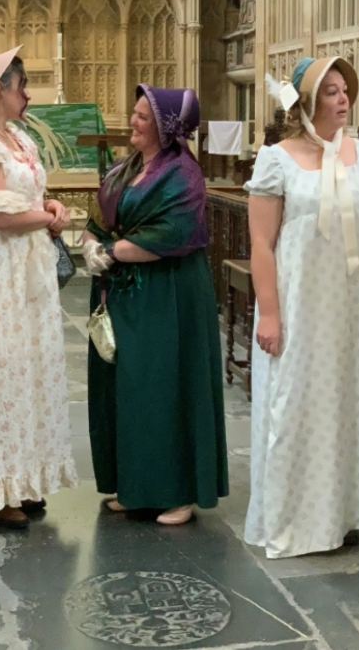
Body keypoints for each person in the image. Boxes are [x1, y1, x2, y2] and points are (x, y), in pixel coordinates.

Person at [244, 56, 359, 558]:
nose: (343, 98)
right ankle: (300, 519)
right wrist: (269, 312)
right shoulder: (278, 159)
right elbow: (261, 244)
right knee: (299, 400)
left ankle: (348, 512)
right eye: (330, 91)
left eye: (345, 88)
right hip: (302, 303)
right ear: (307, 102)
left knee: (349, 399)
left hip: (354, 305)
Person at [83, 85, 228, 527]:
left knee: (165, 389)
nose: (133, 121)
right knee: (127, 391)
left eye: (143, 116)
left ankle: (177, 492)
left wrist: (111, 253)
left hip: (167, 295)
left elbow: (173, 233)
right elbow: (97, 214)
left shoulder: (183, 174)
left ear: (167, 127)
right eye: (134, 113)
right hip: (124, 291)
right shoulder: (127, 167)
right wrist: (91, 243)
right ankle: (135, 487)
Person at [0, 46, 78, 530]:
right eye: (20, 84)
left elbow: (28, 196)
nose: (27, 93)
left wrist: (52, 208)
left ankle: (24, 480)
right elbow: (1, 216)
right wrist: (48, 217)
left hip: (28, 270)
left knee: (31, 372)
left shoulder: (17, 139)